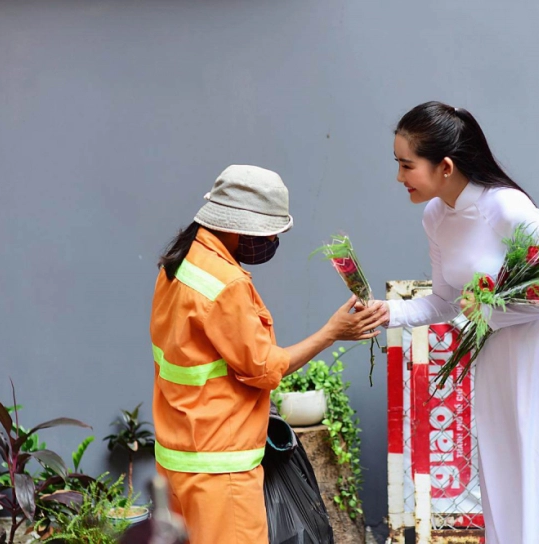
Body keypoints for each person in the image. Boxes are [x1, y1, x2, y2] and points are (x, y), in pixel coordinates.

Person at [372, 102, 539, 543]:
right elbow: (444, 302)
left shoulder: (504, 206)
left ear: (445, 166)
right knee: (506, 480)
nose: (399, 177)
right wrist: (386, 312)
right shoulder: (435, 217)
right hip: (496, 361)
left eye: (406, 165)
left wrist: (491, 311)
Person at [150, 164, 388, 543]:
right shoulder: (225, 285)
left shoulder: (180, 265)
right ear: (235, 225)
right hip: (220, 470)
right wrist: (332, 333)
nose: (273, 239)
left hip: (178, 459)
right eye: (268, 231)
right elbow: (263, 368)